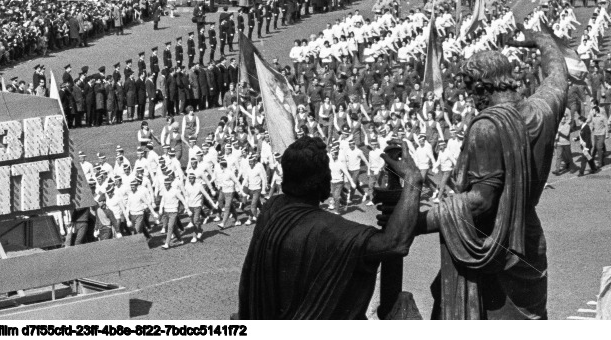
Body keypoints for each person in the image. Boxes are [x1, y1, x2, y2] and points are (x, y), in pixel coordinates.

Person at [414, 27, 569, 320]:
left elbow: (480, 201)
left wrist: (418, 221)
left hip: (493, 246)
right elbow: (557, 74)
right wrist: (541, 39)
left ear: (483, 87)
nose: (472, 99)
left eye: (471, 90)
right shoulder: (543, 110)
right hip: (529, 238)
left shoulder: (486, 126)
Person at [237, 136, 424, 320]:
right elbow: (395, 244)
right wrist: (413, 179)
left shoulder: (271, 208)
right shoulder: (329, 231)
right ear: (321, 181)